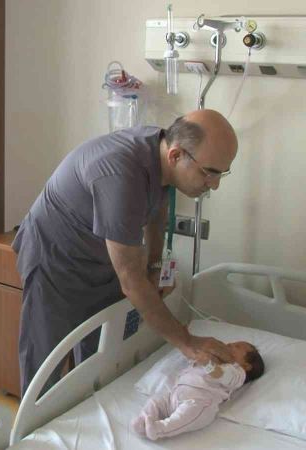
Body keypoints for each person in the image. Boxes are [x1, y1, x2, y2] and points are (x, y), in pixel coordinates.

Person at [13, 110, 239, 395]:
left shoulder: (159, 152)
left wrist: (155, 264)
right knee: (46, 366)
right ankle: (36, 423)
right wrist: (187, 342)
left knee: (99, 360)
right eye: (210, 172)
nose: (215, 185)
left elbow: (157, 208)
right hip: (54, 258)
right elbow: (130, 280)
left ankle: (87, 413)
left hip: (99, 258)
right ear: (176, 156)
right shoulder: (121, 175)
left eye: (222, 173)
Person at [132, 341, 264, 440]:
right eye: (232, 343)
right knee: (156, 400)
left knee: (187, 416)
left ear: (246, 365)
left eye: (238, 347)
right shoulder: (214, 359)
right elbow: (193, 357)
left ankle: (159, 429)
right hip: (175, 394)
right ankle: (144, 419)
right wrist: (195, 349)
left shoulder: (237, 372)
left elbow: (223, 375)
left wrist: (208, 364)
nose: (230, 344)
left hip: (200, 401)